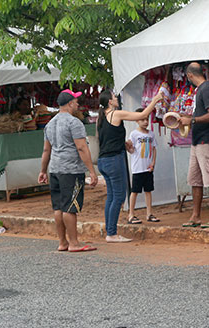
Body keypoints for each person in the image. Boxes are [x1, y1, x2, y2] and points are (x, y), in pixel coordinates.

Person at [96, 88, 163, 242]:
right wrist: (155, 100)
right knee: (119, 196)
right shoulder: (115, 113)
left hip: (103, 160)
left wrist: (124, 144)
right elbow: (142, 115)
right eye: (114, 97)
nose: (117, 98)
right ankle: (112, 233)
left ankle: (109, 230)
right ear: (109, 102)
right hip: (114, 160)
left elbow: (108, 139)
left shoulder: (102, 118)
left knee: (112, 197)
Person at [39, 89, 99, 253]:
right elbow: (81, 147)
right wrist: (92, 171)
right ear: (70, 103)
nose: (78, 104)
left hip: (55, 169)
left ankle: (62, 242)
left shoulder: (50, 124)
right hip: (71, 169)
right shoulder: (74, 123)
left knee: (58, 207)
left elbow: (46, 151)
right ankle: (74, 243)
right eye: (76, 101)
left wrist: (43, 170)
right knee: (70, 207)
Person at [179, 62, 209, 228]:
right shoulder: (201, 90)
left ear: (190, 75)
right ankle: (195, 216)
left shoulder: (206, 89)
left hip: (208, 140)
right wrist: (185, 117)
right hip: (198, 140)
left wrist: (191, 120)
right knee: (195, 179)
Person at [127, 109, 158, 224]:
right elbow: (131, 149)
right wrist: (128, 146)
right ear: (137, 121)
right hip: (137, 168)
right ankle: (131, 214)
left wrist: (153, 162)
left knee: (148, 191)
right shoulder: (134, 134)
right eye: (142, 119)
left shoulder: (151, 134)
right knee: (134, 191)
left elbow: (154, 149)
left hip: (148, 168)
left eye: (147, 119)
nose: (145, 122)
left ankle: (149, 213)